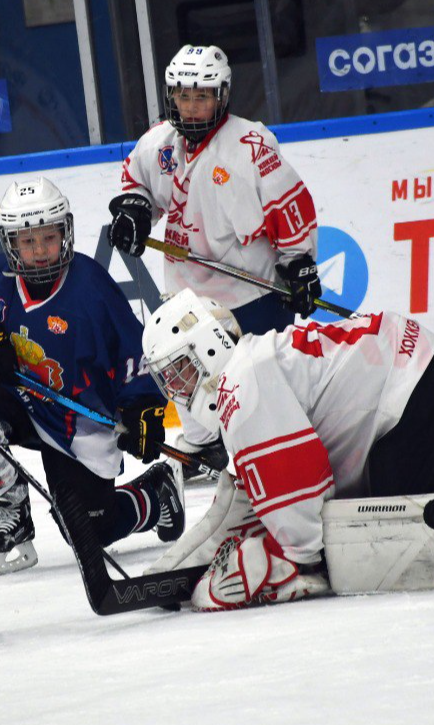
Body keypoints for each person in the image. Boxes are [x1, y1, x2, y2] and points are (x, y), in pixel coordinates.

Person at [140, 288, 434, 610]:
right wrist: (173, 570)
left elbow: (304, 527)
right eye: (166, 377)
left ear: (208, 346)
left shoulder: (242, 387)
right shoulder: (251, 367)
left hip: (424, 400)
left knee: (392, 541)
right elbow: (254, 500)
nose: (173, 387)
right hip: (432, 383)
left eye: (178, 368)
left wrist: (284, 560)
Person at [0, 177, 184, 575]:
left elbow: (135, 351)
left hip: (78, 419)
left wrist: (141, 405)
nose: (39, 251)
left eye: (47, 238)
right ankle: (12, 509)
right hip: (20, 399)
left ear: (64, 232)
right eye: (27, 242)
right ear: (11, 243)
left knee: (88, 529)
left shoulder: (90, 286)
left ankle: (155, 496)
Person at [108, 44, 323, 479]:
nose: (191, 107)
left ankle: (277, 439)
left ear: (222, 95)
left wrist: (299, 262)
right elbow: (137, 179)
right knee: (180, 365)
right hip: (186, 291)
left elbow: (289, 204)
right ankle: (205, 443)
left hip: (251, 289)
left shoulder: (250, 144)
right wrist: (134, 209)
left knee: (261, 379)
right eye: (183, 96)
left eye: (201, 96)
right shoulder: (159, 143)